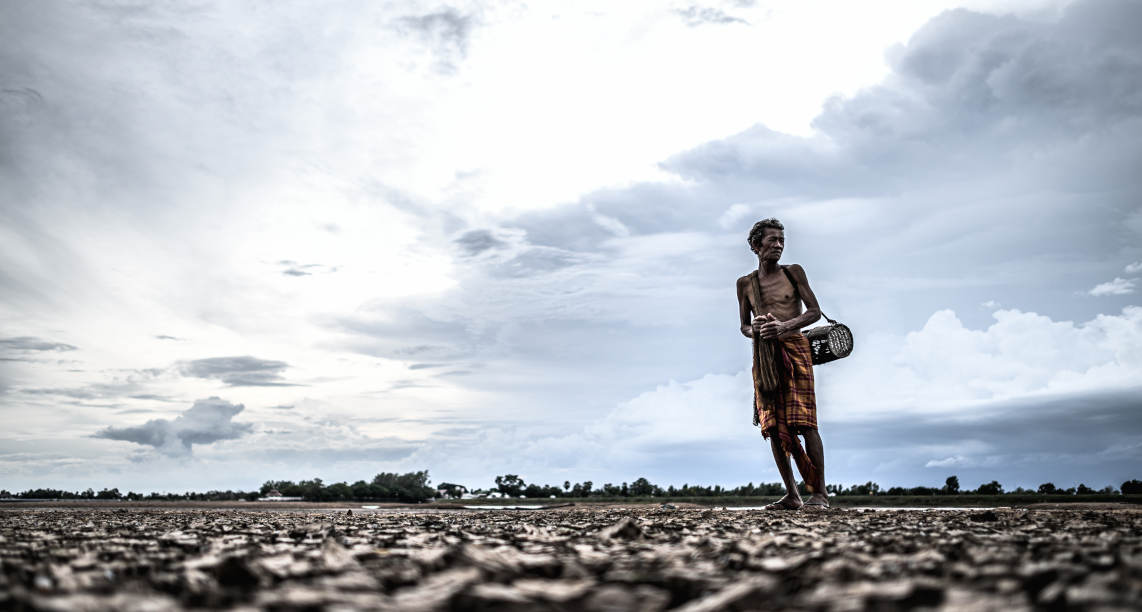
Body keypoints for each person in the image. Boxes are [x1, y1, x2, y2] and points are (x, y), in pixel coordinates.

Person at [736, 218, 829, 510]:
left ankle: (820, 494)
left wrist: (784, 326)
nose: (778, 245)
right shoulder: (745, 284)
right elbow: (744, 326)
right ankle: (792, 494)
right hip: (765, 358)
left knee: (805, 422)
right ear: (755, 245)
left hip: (796, 351)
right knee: (773, 425)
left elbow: (814, 312)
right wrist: (759, 330)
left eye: (781, 241)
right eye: (772, 240)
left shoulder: (794, 273)